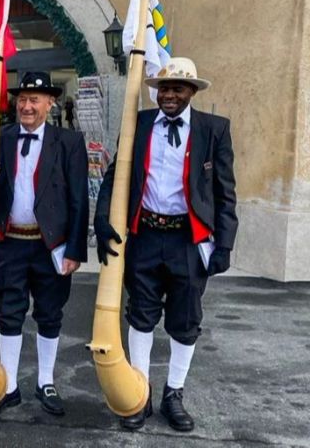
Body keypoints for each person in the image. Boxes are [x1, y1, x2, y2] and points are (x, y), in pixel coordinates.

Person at [93, 57, 238, 432]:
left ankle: (174, 393)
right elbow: (115, 176)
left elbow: (225, 193)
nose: (169, 95)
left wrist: (224, 244)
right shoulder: (138, 124)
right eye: (163, 88)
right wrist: (102, 219)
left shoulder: (214, 130)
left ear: (191, 91)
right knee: (140, 314)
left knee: (185, 320)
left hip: (188, 241)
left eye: (177, 88)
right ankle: (139, 390)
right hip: (144, 237)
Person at [0, 71, 89, 419]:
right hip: (12, 241)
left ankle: (45, 380)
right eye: (22, 99)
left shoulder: (68, 142)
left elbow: (79, 198)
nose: (26, 106)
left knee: (49, 313)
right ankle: (7, 386)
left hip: (49, 244)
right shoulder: (1, 138)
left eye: (34, 100)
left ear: (49, 103)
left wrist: (74, 250)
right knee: (9, 312)